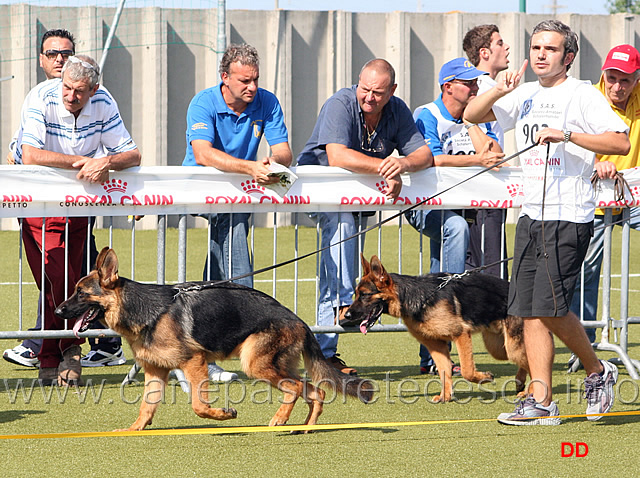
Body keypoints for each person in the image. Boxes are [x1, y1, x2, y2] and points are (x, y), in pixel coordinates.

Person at [464, 19, 629, 425]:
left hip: (568, 213)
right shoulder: (520, 93)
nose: (540, 54)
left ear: (568, 57)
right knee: (528, 309)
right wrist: (498, 91)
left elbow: (619, 141)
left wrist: (569, 136)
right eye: (536, 47)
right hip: (530, 214)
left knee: (551, 309)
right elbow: (470, 113)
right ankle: (541, 399)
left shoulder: (582, 94)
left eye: (550, 49)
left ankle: (597, 370)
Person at [297, 58, 433, 375]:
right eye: (365, 90)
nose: (369, 98)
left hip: (357, 199)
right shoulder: (339, 104)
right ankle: (345, 309)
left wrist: (402, 165)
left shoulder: (398, 109)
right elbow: (337, 155)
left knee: (334, 266)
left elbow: (423, 154)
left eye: (378, 92)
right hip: (324, 195)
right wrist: (386, 167)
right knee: (340, 233)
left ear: (392, 91)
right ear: (357, 83)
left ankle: (324, 356)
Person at [2, 29, 127, 371]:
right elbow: (28, 155)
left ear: (93, 91)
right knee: (52, 277)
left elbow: (131, 153)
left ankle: (63, 350)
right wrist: (85, 163)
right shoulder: (39, 96)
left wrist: (106, 161)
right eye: (52, 53)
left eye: (79, 91)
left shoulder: (104, 100)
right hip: (37, 203)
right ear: (42, 60)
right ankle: (54, 347)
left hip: (79, 204)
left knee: (67, 277)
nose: (71, 95)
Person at [182, 43, 292, 382]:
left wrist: (273, 165)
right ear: (224, 77)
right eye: (245, 81)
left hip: (241, 192)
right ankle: (246, 319)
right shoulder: (203, 102)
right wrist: (250, 168)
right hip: (203, 189)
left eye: (256, 79)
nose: (253, 87)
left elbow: (284, 152)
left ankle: (195, 358)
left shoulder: (268, 101)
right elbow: (203, 154)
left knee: (217, 269)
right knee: (231, 233)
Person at [409, 57, 505, 376]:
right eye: (469, 83)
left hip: (461, 206)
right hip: (426, 206)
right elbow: (433, 159)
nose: (477, 87)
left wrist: (472, 124)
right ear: (448, 87)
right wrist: (478, 159)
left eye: (476, 82)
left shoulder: (479, 115)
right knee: (455, 229)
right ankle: (448, 306)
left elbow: (496, 154)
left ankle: (432, 358)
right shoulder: (427, 114)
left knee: (440, 265)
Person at [569, 44, 640, 348]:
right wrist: (597, 162)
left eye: (625, 80)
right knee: (586, 271)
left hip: (634, 196)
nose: (617, 86)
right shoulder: (587, 98)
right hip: (593, 198)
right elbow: (569, 144)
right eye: (612, 78)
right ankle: (581, 344)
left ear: (637, 79)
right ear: (603, 74)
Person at [463, 24, 511, 278]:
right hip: (484, 189)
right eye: (500, 43)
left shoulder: (486, 86)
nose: (507, 48)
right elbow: (491, 148)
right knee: (492, 274)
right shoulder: (481, 89)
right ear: (484, 52)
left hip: (486, 190)